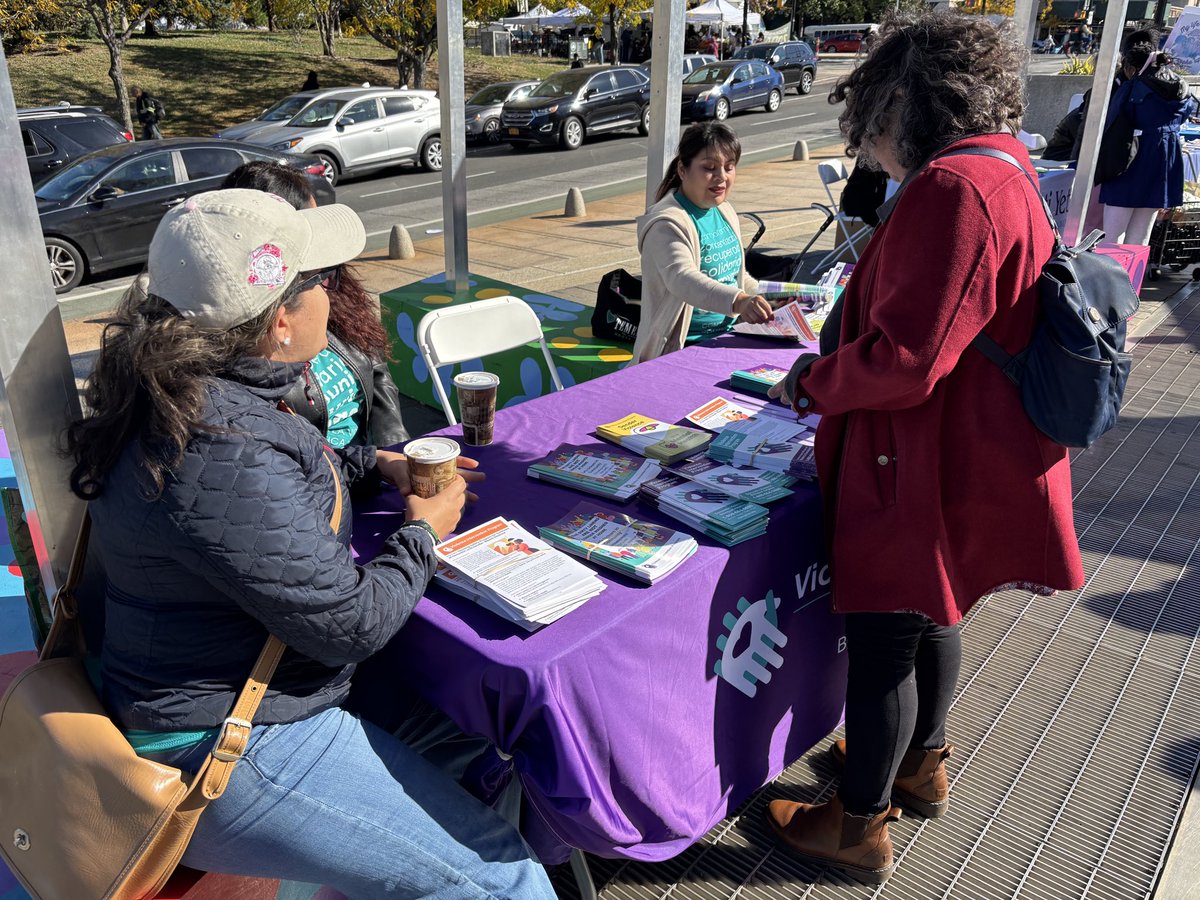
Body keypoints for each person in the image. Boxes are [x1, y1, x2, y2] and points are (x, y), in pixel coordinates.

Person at [65, 188, 555, 899]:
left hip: (241, 693)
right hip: (225, 743)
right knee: (503, 875)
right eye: (320, 282)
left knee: (477, 731)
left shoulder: (189, 391)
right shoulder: (217, 440)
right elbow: (352, 624)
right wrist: (424, 530)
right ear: (280, 323)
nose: (336, 293)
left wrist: (371, 464)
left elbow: (267, 495)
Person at [763, 13, 1084, 884]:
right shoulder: (1007, 164)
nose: (870, 152)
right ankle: (920, 764)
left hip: (914, 460)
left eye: (870, 126)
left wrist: (812, 383)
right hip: (961, 447)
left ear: (905, 100)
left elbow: (908, 358)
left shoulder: (952, 186)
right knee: (933, 614)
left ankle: (858, 824)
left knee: (883, 645)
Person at [221, 161, 409, 450]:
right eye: (307, 227)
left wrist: (393, 449)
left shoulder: (329, 280)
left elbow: (376, 365)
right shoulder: (246, 339)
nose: (317, 239)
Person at [631, 122, 773, 364]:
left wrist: (765, 296)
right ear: (683, 170)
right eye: (709, 168)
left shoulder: (724, 210)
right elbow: (683, 279)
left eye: (729, 167)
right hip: (682, 347)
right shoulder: (666, 224)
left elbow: (733, 276)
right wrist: (739, 302)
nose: (721, 177)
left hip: (730, 337)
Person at [1099, 34, 1198, 245]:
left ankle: (1112, 278)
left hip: (1129, 161)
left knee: (1112, 238)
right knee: (1141, 237)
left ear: (1131, 65)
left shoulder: (1132, 88)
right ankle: (1132, 279)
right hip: (1163, 162)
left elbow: (1111, 124)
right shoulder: (1181, 88)